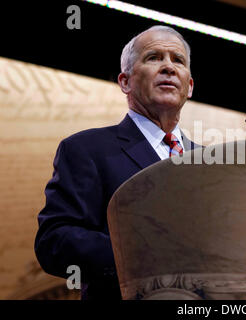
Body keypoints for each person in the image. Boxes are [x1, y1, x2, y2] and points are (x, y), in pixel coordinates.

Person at [34, 25, 196, 300]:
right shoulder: (86, 149)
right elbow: (54, 242)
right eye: (154, 57)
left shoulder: (211, 162)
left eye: (177, 60)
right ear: (125, 81)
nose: (168, 67)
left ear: (189, 86)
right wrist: (143, 255)